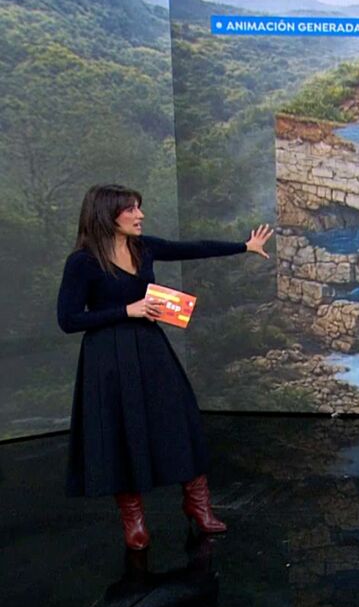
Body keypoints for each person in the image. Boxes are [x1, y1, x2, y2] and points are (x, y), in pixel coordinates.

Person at [56, 184, 274, 550]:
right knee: (121, 432)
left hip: (150, 348)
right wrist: (126, 310)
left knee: (179, 418)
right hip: (108, 358)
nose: (140, 215)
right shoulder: (83, 261)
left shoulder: (144, 247)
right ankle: (134, 521)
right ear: (107, 213)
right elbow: (68, 319)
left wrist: (244, 246)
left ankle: (198, 504)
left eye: (140, 208)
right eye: (132, 209)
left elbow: (193, 248)